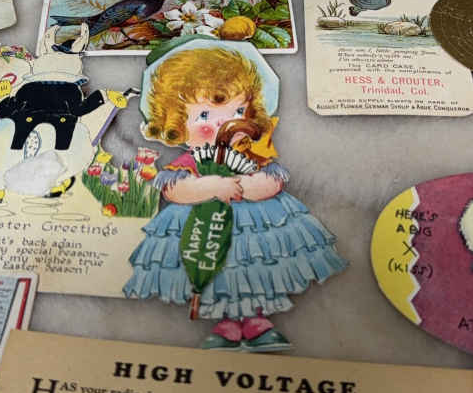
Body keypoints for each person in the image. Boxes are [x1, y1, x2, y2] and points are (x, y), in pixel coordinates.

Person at [123, 40, 347, 351]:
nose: (223, 122)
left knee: (258, 264)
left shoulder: (253, 153)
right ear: (175, 121)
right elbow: (174, 190)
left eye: (238, 110)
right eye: (204, 114)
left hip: (255, 222)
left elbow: (273, 181)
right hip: (203, 226)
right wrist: (212, 186)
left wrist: (250, 185)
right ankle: (226, 322)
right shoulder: (188, 161)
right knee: (216, 268)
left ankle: (256, 320)